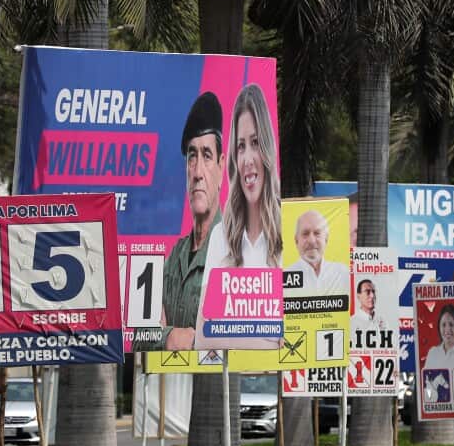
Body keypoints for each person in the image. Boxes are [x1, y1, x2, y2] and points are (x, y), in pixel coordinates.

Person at [195, 83, 282, 350]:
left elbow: (295, 339)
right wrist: (268, 337)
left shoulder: (289, 234)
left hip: (280, 385)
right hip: (228, 380)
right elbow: (204, 337)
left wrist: (232, 331)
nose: (247, 159)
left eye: (255, 143)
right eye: (241, 146)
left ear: (267, 149)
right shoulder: (221, 236)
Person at [135, 92, 225, 352]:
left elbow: (242, 336)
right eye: (191, 157)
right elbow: (140, 334)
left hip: (216, 389)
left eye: (206, 156)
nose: (197, 172)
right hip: (169, 389)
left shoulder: (234, 252)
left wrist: (195, 339)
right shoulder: (175, 257)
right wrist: (170, 337)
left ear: (221, 167)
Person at [284, 209, 348, 292]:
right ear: (296, 240)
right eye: (305, 233)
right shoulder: (284, 276)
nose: (311, 240)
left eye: (317, 233)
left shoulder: (342, 273)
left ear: (326, 239)